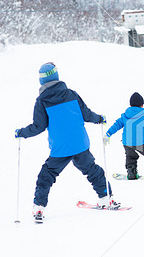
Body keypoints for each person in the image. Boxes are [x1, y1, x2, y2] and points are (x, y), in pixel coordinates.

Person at [15, 62, 119, 221]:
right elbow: (87, 114)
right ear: (56, 76)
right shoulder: (72, 94)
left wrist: (22, 132)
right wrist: (99, 119)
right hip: (79, 144)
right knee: (92, 170)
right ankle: (106, 197)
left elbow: (39, 126)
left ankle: (39, 208)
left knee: (46, 176)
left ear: (41, 81)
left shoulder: (42, 101)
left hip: (61, 148)